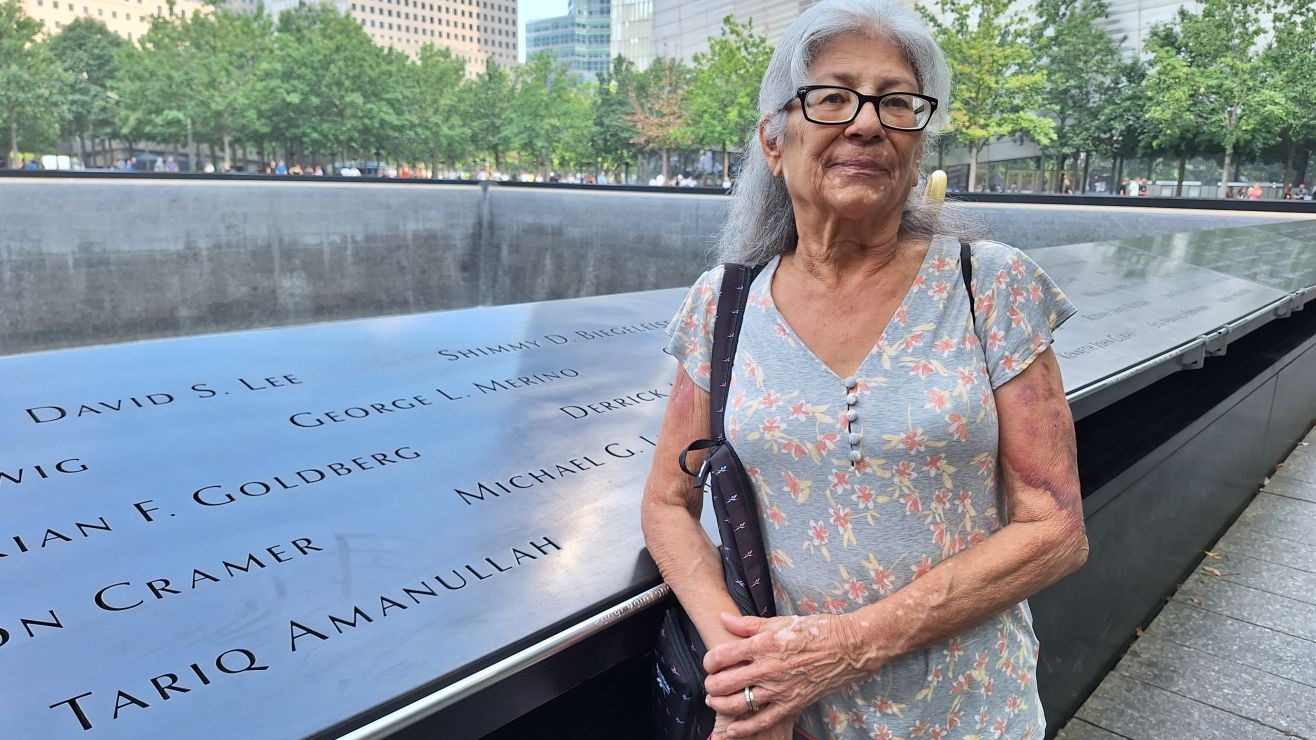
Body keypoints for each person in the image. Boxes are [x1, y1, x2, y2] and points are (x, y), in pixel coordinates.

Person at [641, 1, 1088, 738]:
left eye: (896, 103)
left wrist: (850, 645)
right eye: (833, 96)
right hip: (793, 718)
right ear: (775, 140)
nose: (867, 122)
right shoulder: (720, 306)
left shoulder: (992, 287)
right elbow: (666, 504)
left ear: (917, 143)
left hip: (970, 713)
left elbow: (1056, 526)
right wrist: (747, 670)